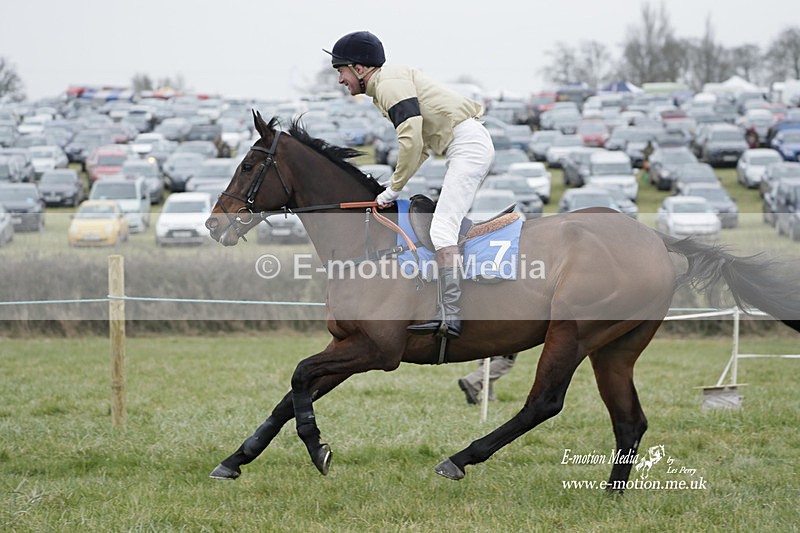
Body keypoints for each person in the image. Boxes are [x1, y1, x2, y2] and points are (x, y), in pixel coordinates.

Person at [324, 31, 495, 339]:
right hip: (465, 145)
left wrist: (393, 189)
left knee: (442, 229)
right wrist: (393, 184)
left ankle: (451, 316)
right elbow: (422, 149)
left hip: (468, 146)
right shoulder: (384, 86)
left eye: (341, 70)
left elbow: (412, 140)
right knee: (442, 225)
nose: (340, 79)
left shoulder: (389, 85)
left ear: (360, 69)